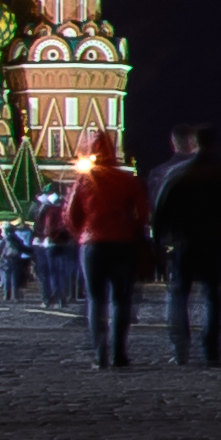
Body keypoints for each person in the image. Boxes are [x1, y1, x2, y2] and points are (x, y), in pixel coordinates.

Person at [146, 125, 221, 366]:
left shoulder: (180, 174)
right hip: (212, 240)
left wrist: (159, 240)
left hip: (184, 241)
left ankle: (180, 348)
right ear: (214, 144)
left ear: (195, 143)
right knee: (213, 296)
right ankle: (211, 349)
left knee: (179, 294)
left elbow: (162, 208)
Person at [68, 131, 150, 366]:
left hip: (92, 244)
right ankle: (119, 353)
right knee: (121, 299)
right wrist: (131, 230)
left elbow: (71, 215)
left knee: (95, 299)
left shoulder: (83, 180)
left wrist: (83, 235)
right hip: (122, 243)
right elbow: (142, 213)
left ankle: (100, 354)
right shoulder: (127, 180)